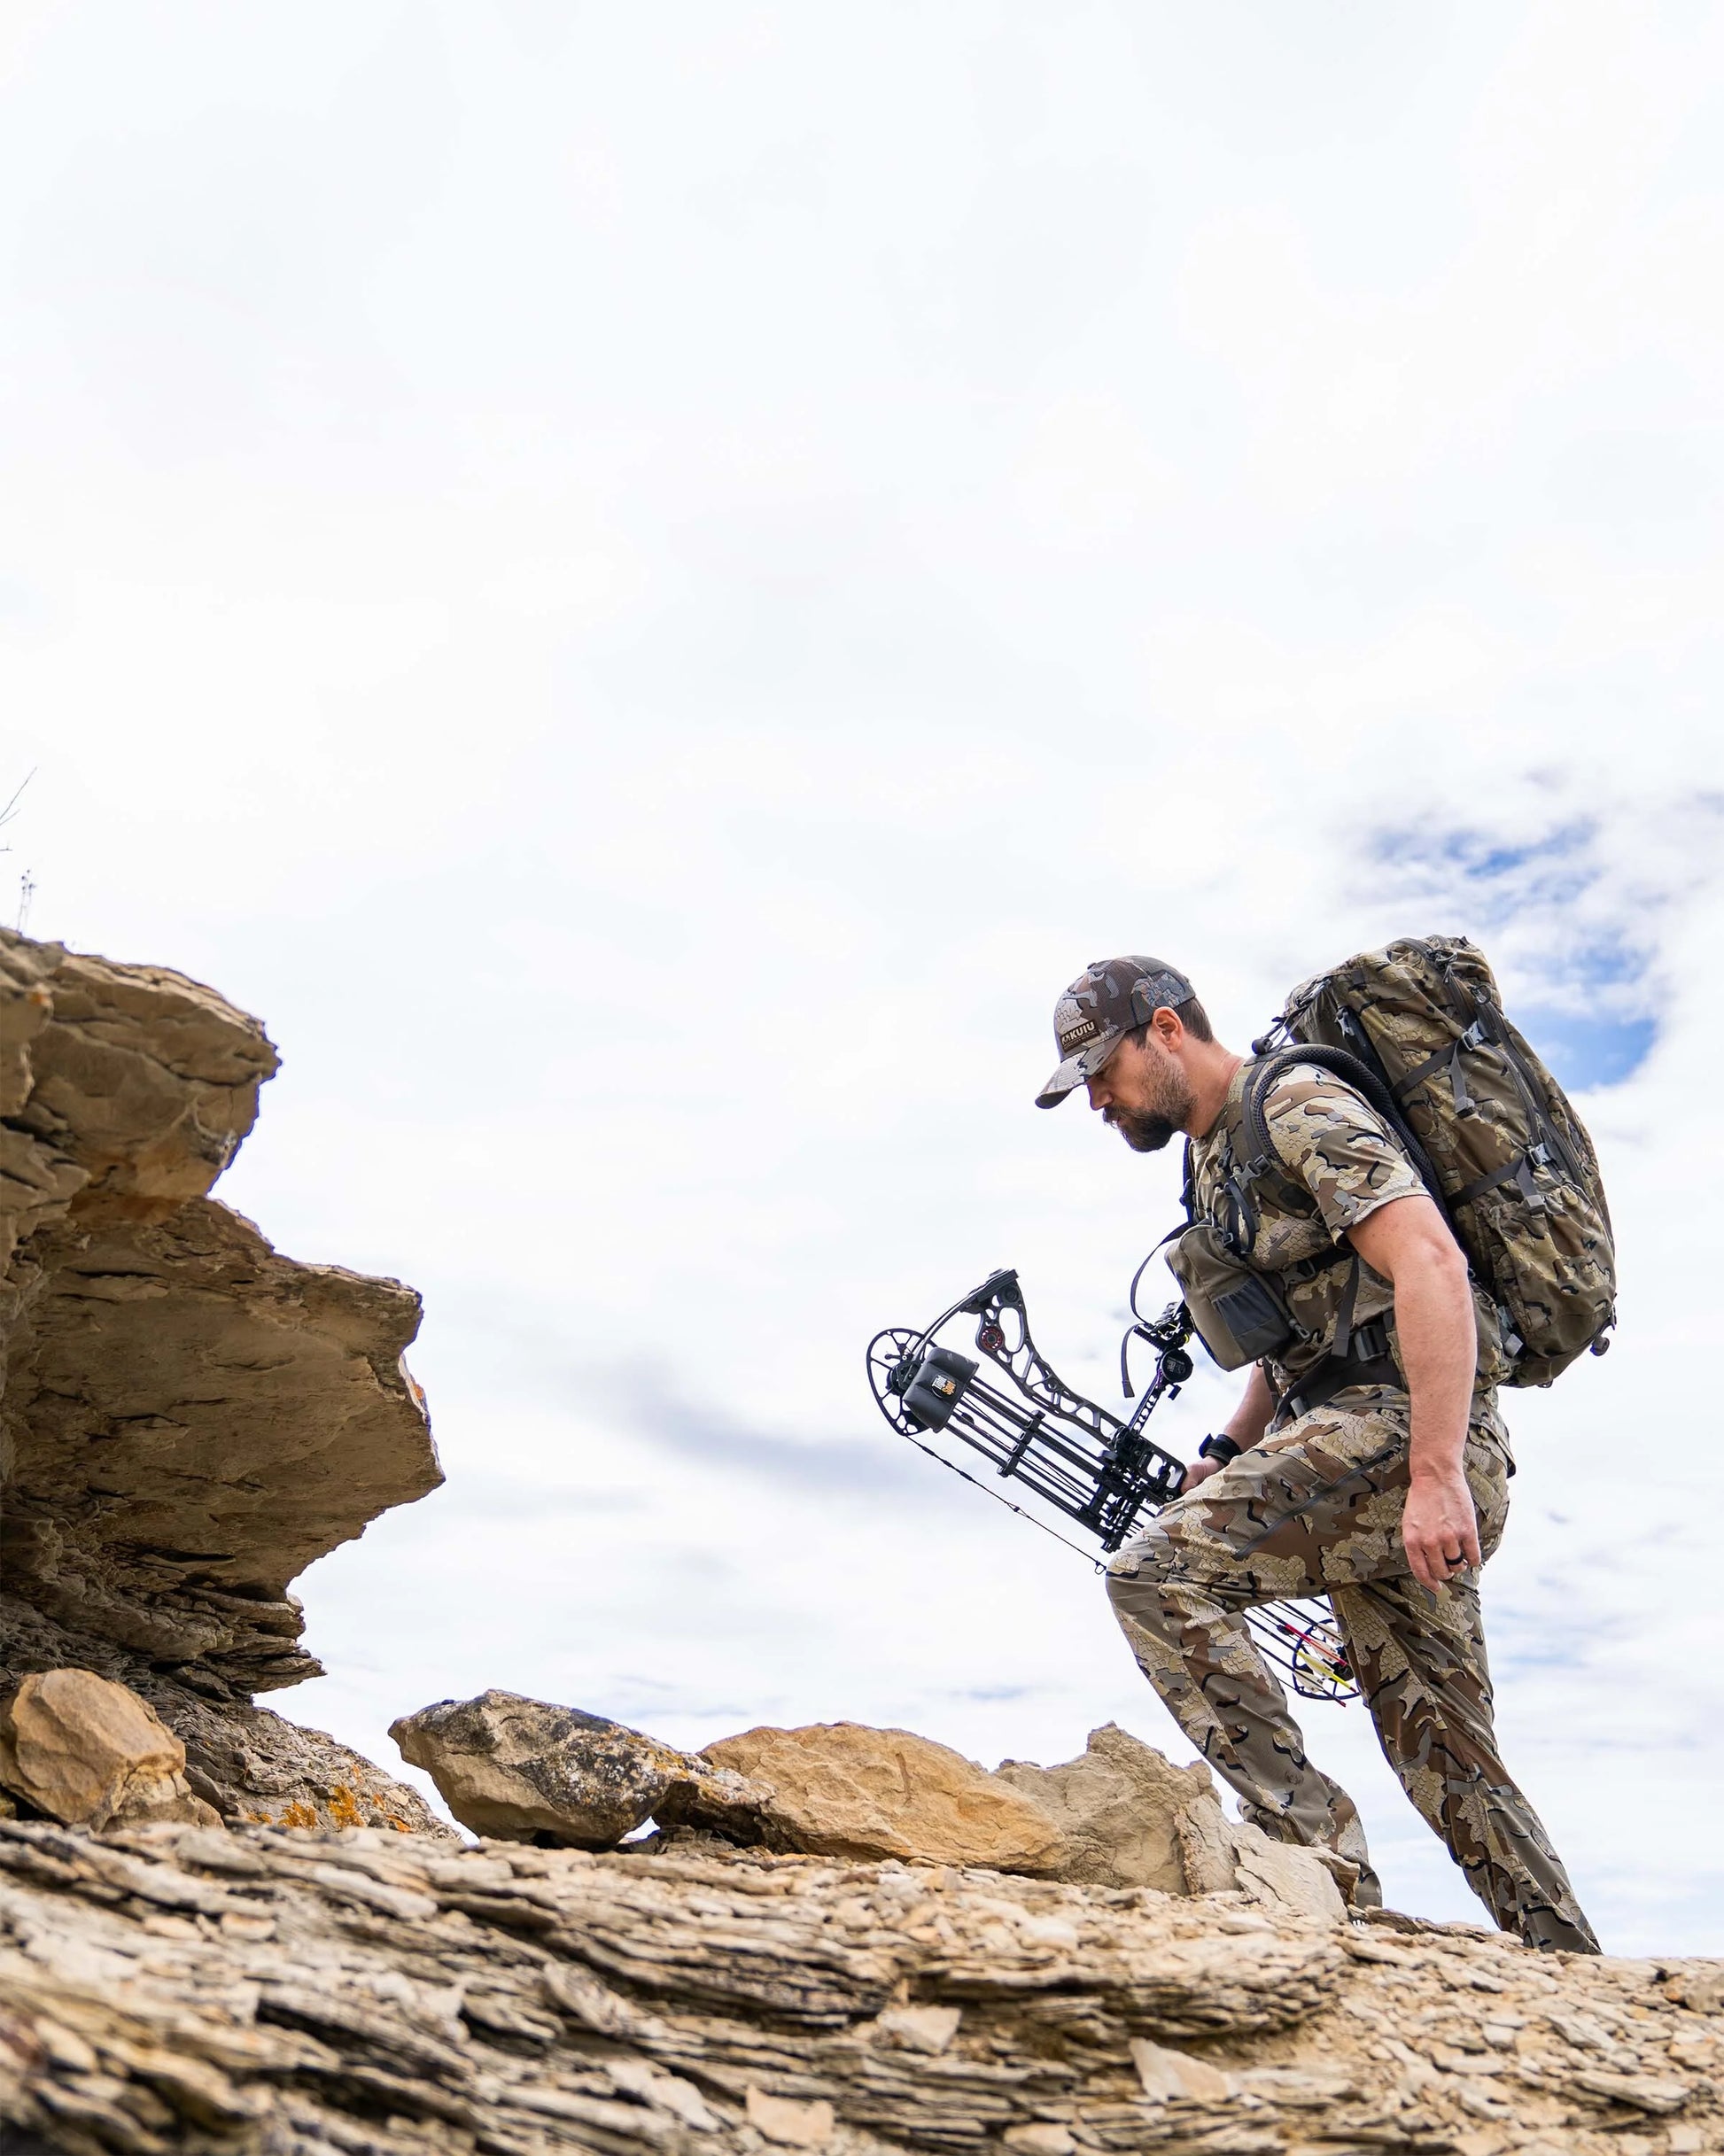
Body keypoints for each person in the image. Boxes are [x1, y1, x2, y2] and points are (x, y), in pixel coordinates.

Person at [1034, 954, 1598, 1953]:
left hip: (1407, 1436)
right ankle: (1573, 1965)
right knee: (1445, 1749)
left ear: (1165, 1030)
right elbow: (1308, 1341)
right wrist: (1228, 1447)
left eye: (1100, 1071)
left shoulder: (1293, 1103)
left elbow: (1428, 1261)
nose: (1096, 1100)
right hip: (1361, 1441)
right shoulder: (1211, 1160)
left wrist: (1434, 1474)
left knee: (1156, 1576)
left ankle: (1315, 1864)